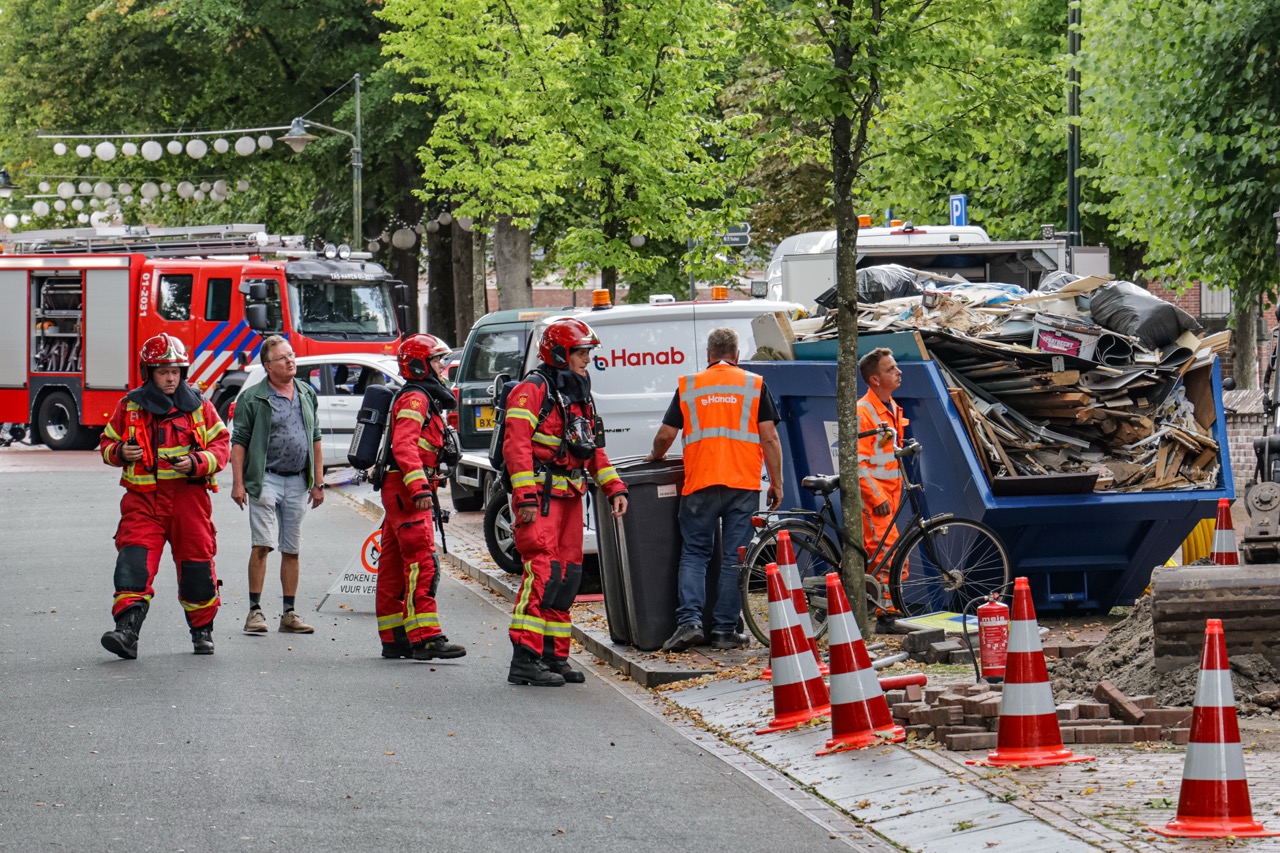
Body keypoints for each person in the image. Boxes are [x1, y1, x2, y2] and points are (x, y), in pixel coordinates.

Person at [504, 318, 628, 686]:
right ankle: (525, 659)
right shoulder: (532, 390)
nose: (587, 358)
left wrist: (614, 488)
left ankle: (553, 656)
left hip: (570, 498)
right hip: (540, 499)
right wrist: (524, 496)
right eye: (581, 352)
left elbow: (590, 447)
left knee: (566, 576)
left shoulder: (578, 392)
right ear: (560, 352)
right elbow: (517, 445)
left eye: (588, 351)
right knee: (541, 573)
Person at [647, 327, 784, 653]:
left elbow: (666, 435)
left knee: (695, 553)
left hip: (700, 483)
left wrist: (655, 456)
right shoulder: (754, 385)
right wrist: (777, 483)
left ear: (709, 355)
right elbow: (770, 438)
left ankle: (690, 623)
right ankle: (724, 630)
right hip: (742, 485)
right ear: (736, 355)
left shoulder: (690, 386)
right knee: (734, 560)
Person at [99, 333, 230, 658]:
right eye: (163, 372)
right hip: (142, 502)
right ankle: (126, 633)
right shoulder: (129, 406)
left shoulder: (200, 406)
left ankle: (202, 631)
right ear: (150, 372)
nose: (170, 378)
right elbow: (106, 444)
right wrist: (119, 452)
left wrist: (196, 462)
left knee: (197, 568)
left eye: (175, 371)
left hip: (189, 501)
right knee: (133, 565)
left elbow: (221, 446)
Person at [375, 333, 467, 662]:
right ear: (419, 365)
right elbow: (404, 446)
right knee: (422, 564)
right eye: (437, 360)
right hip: (408, 492)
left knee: (393, 568)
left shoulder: (418, 396)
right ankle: (425, 637)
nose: (443, 367)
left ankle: (394, 637)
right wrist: (420, 488)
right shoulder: (416, 399)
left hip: (398, 490)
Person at [229, 335, 323, 636]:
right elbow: (239, 441)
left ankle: (289, 613)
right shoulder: (253, 397)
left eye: (291, 355)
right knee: (263, 544)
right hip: (265, 478)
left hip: (297, 480)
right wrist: (238, 484)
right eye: (282, 358)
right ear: (268, 365)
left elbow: (316, 439)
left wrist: (318, 482)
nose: (290, 360)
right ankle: (254, 611)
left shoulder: (307, 393)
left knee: (292, 549)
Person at [857, 347, 908, 632]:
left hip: (888, 495)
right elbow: (856, 461)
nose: (898, 372)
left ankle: (886, 609)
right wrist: (875, 496)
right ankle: (887, 617)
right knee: (886, 554)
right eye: (890, 369)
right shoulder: (864, 411)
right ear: (875, 380)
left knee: (890, 554)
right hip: (876, 498)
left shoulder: (889, 407)